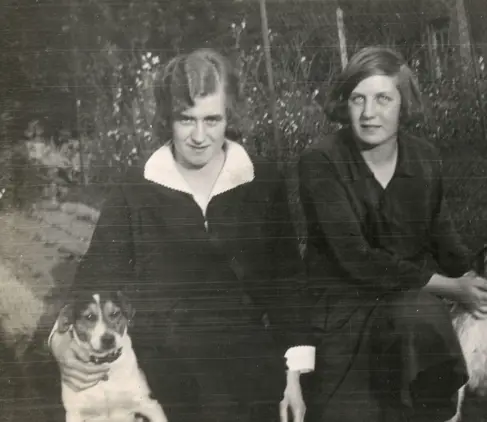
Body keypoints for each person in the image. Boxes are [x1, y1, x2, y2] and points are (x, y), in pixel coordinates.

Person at [44, 48, 314, 422]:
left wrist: (294, 375)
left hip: (244, 361)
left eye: (212, 119)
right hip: (163, 366)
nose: (200, 136)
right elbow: (96, 276)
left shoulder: (262, 181)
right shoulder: (135, 189)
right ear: (166, 119)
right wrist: (59, 340)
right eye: (186, 120)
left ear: (230, 116)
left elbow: (288, 286)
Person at [296, 46, 487, 422]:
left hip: (408, 308)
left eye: (383, 99)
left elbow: (440, 232)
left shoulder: (423, 158)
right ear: (345, 105)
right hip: (344, 314)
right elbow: (354, 257)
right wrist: (449, 287)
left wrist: (477, 278)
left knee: (420, 338)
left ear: (404, 105)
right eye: (358, 99)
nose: (369, 112)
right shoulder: (321, 161)